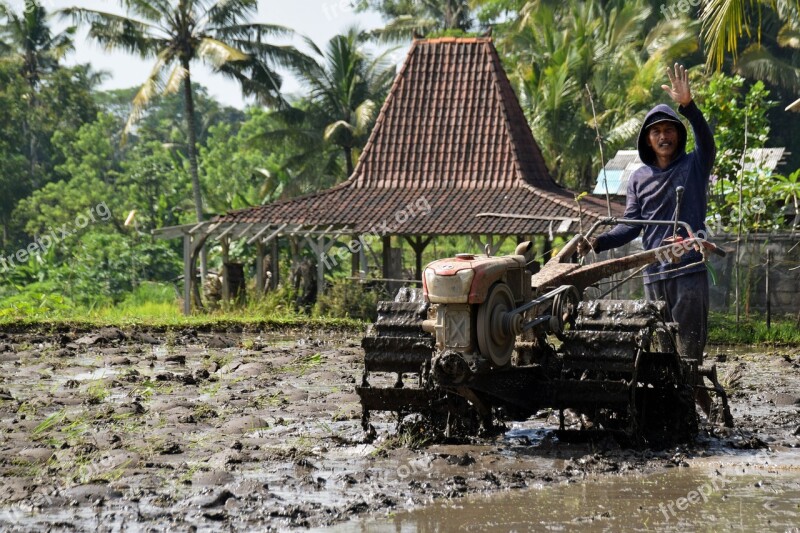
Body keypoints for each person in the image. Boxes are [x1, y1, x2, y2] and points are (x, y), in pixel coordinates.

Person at [577, 63, 715, 414]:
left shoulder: (695, 166)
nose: (664, 136)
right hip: (654, 275)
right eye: (657, 132)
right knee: (664, 357)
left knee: (688, 355)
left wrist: (689, 106)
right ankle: (701, 411)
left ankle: (696, 416)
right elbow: (630, 227)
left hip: (687, 272)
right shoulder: (638, 178)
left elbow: (707, 141)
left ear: (678, 135)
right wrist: (595, 242)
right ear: (648, 139)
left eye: (670, 130)